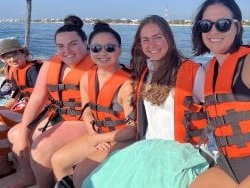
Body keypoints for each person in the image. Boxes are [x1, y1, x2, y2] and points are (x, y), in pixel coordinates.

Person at [82, 15, 211, 188]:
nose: (152, 45)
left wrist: (204, 148)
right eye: (146, 40)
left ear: (169, 38)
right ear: (140, 44)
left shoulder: (193, 72)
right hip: (146, 148)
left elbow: (214, 112)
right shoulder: (145, 72)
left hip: (182, 153)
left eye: (158, 37)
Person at [7, 21, 94, 188]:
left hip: (82, 120)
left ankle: (43, 185)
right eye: (60, 46)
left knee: (40, 149)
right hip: (56, 114)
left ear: (86, 43)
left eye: (73, 44)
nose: (66, 51)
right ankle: (29, 177)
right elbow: (37, 98)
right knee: (15, 134)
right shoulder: (51, 64)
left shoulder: (97, 65)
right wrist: (24, 132)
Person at [51, 22, 135, 188]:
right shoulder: (86, 77)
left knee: (81, 173)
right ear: (90, 50)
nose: (102, 53)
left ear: (120, 50)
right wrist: (93, 136)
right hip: (98, 134)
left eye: (110, 48)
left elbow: (133, 130)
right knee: (58, 160)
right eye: (96, 48)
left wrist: (98, 139)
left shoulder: (128, 85)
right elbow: (87, 111)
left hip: (124, 139)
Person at [190, 0, 250, 188]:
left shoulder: (248, 63)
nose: (213, 30)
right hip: (227, 165)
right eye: (206, 25)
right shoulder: (207, 70)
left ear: (237, 27)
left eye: (222, 24)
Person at [0, 38, 42, 178]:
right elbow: (14, 99)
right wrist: (3, 108)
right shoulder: (15, 71)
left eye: (15, 54)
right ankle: (4, 162)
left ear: (24, 53)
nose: (12, 59)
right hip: (26, 107)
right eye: (7, 56)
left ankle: (4, 166)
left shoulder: (33, 70)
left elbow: (42, 99)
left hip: (39, 112)